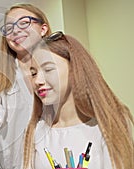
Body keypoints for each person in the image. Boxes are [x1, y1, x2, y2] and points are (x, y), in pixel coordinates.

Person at [23, 31, 133, 169]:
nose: (37, 81)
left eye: (48, 69)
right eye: (33, 73)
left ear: (74, 69)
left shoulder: (110, 124)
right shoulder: (36, 131)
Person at [0, 3, 51, 169]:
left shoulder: (61, 70)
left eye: (24, 22)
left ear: (43, 28)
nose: (15, 31)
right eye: (9, 28)